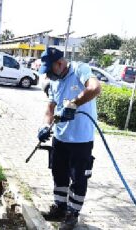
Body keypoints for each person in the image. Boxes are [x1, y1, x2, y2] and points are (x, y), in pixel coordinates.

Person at [37, 47, 101, 230]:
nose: (48, 75)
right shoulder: (55, 81)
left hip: (81, 139)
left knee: (78, 178)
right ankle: (60, 207)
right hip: (60, 137)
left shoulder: (80, 69)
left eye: (50, 70)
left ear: (60, 63)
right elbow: (50, 109)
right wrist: (44, 126)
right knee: (59, 174)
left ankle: (72, 214)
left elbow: (95, 88)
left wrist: (74, 104)